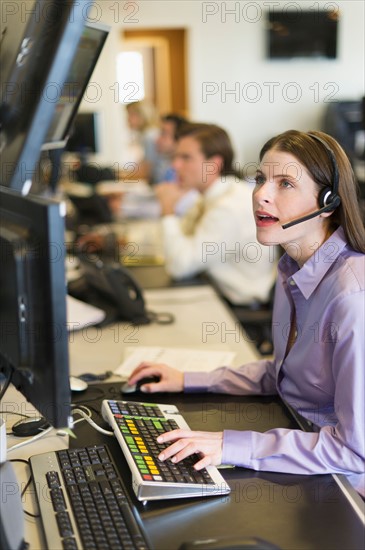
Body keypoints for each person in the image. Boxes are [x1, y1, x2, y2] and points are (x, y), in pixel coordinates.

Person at [126, 130, 365, 489]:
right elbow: (285, 377)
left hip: (340, 483)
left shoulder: (351, 298)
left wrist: (230, 444)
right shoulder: (291, 269)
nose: (261, 195)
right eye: (260, 180)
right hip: (297, 446)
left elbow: (353, 451)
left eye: (285, 184)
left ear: (328, 203)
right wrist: (189, 380)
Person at [154, 122, 276, 305]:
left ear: (213, 165)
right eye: (176, 157)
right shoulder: (213, 196)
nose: (175, 165)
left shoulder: (228, 208)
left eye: (186, 158)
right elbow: (179, 243)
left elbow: (178, 265)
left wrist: (167, 210)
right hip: (214, 290)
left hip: (237, 309)